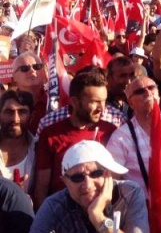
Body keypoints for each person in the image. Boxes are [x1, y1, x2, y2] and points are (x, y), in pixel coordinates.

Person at [33, 71, 118, 209]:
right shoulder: (51, 134)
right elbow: (41, 188)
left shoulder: (111, 131)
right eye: (95, 102)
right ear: (74, 102)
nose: (101, 108)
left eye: (104, 101)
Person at [30, 140, 149, 233]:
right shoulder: (54, 206)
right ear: (65, 181)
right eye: (77, 177)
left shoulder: (130, 193)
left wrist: (97, 216)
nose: (87, 185)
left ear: (108, 174)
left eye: (96, 174)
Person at [106, 76, 161, 196]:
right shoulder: (121, 137)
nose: (148, 93)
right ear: (130, 102)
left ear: (158, 94)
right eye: (140, 91)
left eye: (151, 88)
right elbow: (111, 182)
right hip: (139, 209)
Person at [0, 90, 35, 192]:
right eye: (9, 112)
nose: (15, 119)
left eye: (22, 112)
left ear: (31, 116)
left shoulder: (40, 149)